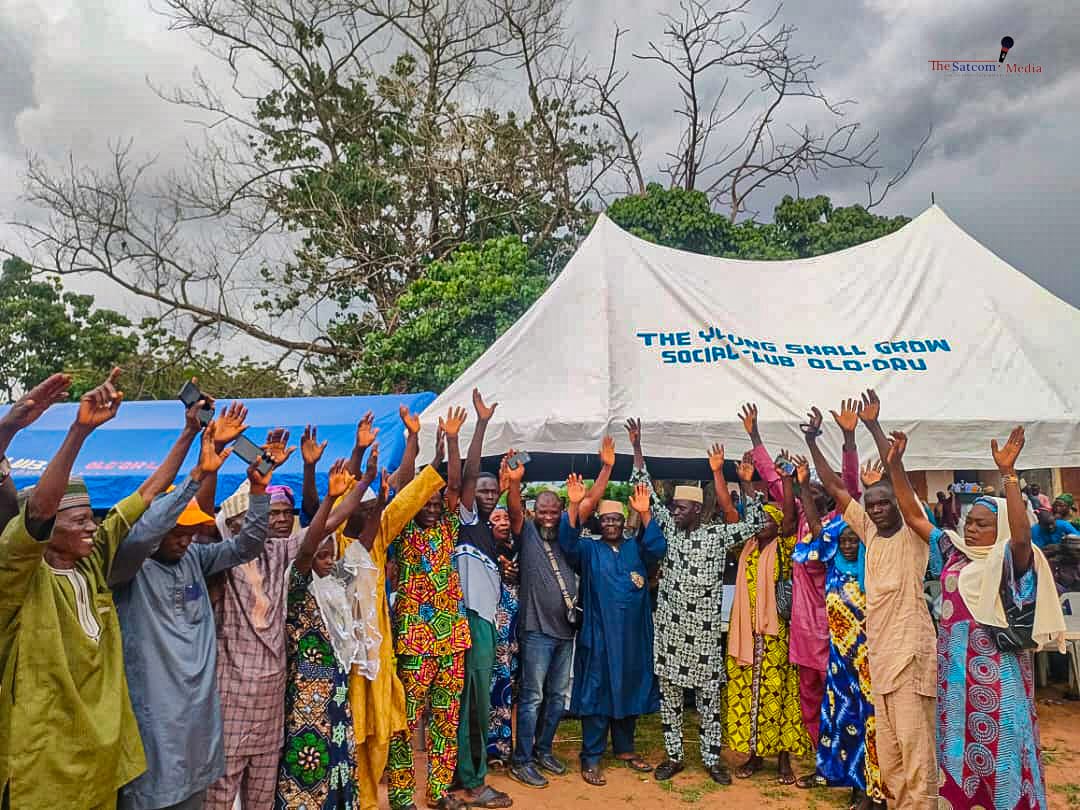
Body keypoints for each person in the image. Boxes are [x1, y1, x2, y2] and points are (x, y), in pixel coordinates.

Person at [0, 370, 203, 810]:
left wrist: (190, 435)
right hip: (44, 770)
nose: (93, 526)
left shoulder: (90, 563)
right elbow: (38, 508)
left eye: (93, 517)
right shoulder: (18, 578)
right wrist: (78, 432)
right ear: (46, 530)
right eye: (80, 520)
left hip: (100, 761)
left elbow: (148, 492)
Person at [885, 426, 1065, 809]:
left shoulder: (1011, 560)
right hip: (955, 681)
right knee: (958, 757)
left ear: (998, 527)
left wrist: (1009, 476)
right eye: (970, 520)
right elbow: (915, 518)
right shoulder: (953, 552)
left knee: (1003, 753)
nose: (971, 527)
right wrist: (896, 467)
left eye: (982, 523)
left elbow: (1019, 537)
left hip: (998, 679)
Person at [113, 421, 272, 810]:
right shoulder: (128, 567)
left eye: (191, 532)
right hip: (152, 720)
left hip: (197, 720)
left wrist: (258, 490)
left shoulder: (195, 559)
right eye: (177, 532)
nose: (185, 539)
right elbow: (142, 535)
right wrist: (197, 475)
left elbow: (248, 545)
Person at [803, 391, 937, 810]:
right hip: (879, 661)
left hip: (911, 658)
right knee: (892, 758)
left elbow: (904, 493)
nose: (877, 509)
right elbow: (835, 488)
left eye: (884, 503)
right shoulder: (869, 533)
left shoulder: (916, 536)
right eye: (872, 504)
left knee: (917, 758)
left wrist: (875, 430)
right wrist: (812, 441)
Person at [626, 419, 766, 785]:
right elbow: (643, 490)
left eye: (680, 509)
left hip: (703, 638)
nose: (673, 512)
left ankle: (711, 759)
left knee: (708, 702)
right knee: (670, 700)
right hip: (671, 633)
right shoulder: (669, 532)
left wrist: (744, 481)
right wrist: (637, 446)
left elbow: (756, 522)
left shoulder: (718, 536)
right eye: (672, 507)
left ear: (697, 510)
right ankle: (673, 756)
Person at [330, 414, 451, 810]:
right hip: (337, 660)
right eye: (359, 503)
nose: (366, 509)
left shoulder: (379, 537)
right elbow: (342, 492)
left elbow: (411, 493)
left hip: (376, 659)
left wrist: (414, 439)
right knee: (343, 735)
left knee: (380, 731)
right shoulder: (326, 542)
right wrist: (359, 452)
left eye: (370, 506)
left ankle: (368, 800)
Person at [738, 400, 862, 782]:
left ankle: (847, 764)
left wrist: (846, 436)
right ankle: (824, 764)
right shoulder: (801, 524)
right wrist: (755, 437)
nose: (819, 490)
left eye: (824, 488)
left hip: (841, 625)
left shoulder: (842, 522)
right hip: (804, 628)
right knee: (809, 698)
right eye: (812, 488)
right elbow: (777, 482)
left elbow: (851, 482)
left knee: (843, 697)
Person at [205, 429, 302, 810]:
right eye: (244, 522)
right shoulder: (217, 565)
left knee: (261, 797)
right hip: (230, 700)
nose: (255, 529)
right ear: (228, 528)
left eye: (256, 522)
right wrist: (209, 450)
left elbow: (321, 532)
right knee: (218, 795)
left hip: (269, 699)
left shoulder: (276, 555)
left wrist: (332, 489)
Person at [386, 407, 473, 810]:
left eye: (437, 500)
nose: (434, 505)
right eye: (427, 500)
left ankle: (437, 792)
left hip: (453, 639)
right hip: (415, 643)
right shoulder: (400, 533)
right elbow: (404, 487)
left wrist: (453, 440)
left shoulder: (448, 528)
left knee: (446, 720)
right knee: (405, 721)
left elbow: (458, 483)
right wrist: (413, 441)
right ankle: (403, 795)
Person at [276, 458, 376, 810]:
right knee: (307, 760)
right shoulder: (299, 584)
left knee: (336, 757)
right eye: (321, 554)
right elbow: (305, 549)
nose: (326, 559)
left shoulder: (335, 584)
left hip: (335, 690)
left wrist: (368, 487)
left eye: (330, 554)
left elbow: (363, 544)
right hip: (304, 695)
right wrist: (331, 500)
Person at [559, 477, 667, 788]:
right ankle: (591, 755)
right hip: (600, 634)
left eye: (616, 519)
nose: (610, 524)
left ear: (623, 522)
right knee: (597, 691)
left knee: (629, 685)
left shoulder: (636, 548)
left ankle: (624, 749)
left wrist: (645, 514)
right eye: (605, 519)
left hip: (634, 636)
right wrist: (575, 504)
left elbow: (657, 547)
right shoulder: (588, 550)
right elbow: (566, 541)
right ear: (599, 523)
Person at [791, 459, 885, 810]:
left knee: (874, 726)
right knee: (849, 725)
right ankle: (858, 788)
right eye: (842, 540)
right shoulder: (831, 562)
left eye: (853, 540)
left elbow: (848, 496)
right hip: (841, 667)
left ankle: (879, 791)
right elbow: (817, 530)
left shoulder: (870, 569)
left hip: (871, 662)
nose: (847, 546)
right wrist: (802, 486)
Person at [725, 455, 812, 784]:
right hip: (747, 638)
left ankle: (783, 761)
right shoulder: (746, 548)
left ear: (779, 527)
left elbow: (790, 518)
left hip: (778, 638)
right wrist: (745, 483)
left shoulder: (786, 548)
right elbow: (743, 515)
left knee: (780, 698)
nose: (761, 524)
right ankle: (754, 755)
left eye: (768, 520)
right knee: (749, 697)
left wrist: (787, 480)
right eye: (759, 520)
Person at [504, 450, 581, 789]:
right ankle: (521, 760)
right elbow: (514, 510)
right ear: (535, 513)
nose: (548, 517)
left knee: (557, 697)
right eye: (543, 511)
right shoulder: (529, 534)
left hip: (566, 633)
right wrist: (516, 482)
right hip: (536, 631)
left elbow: (584, 508)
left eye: (554, 511)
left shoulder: (568, 536)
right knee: (532, 697)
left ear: (561, 512)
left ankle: (543, 751)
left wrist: (578, 503)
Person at [451, 391, 513, 809]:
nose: (488, 496)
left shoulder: (492, 543)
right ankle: (473, 782)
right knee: (472, 703)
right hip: (471, 623)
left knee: (472, 700)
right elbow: (466, 478)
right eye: (484, 491)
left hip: (483, 624)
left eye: (495, 492)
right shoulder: (469, 524)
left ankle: (461, 772)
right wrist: (479, 427)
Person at [486, 504, 520, 770]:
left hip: (510, 639)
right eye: (495, 518)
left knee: (505, 694)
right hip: (487, 636)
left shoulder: (517, 554)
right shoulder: (483, 554)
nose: (502, 522)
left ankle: (503, 747)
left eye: (505, 517)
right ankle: (485, 749)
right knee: (486, 693)